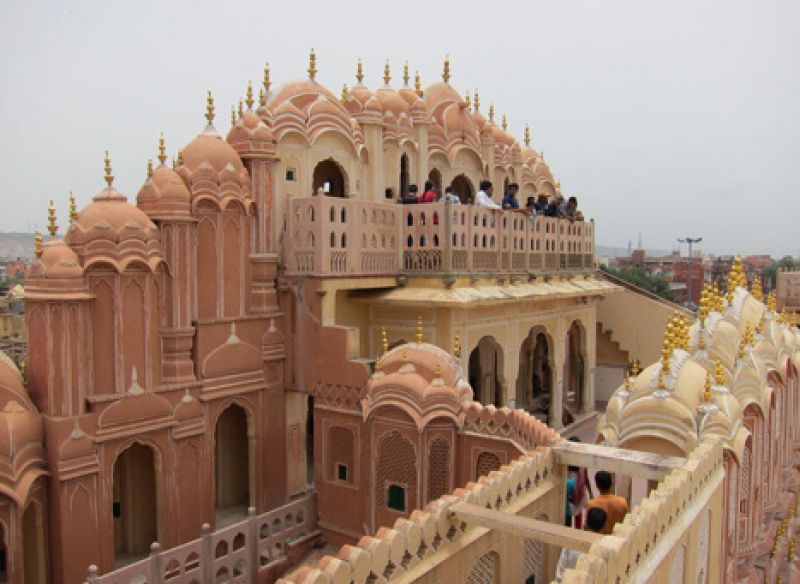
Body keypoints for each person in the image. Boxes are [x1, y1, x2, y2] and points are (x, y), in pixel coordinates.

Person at [555, 507, 607, 582]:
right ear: (603, 527)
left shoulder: (571, 541)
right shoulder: (603, 549)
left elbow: (560, 574)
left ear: (586, 521)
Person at [567, 436, 593, 528]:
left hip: (580, 493)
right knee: (569, 517)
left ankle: (577, 530)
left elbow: (586, 477)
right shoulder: (566, 464)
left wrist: (590, 492)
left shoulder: (582, 461)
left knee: (579, 514)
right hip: (570, 497)